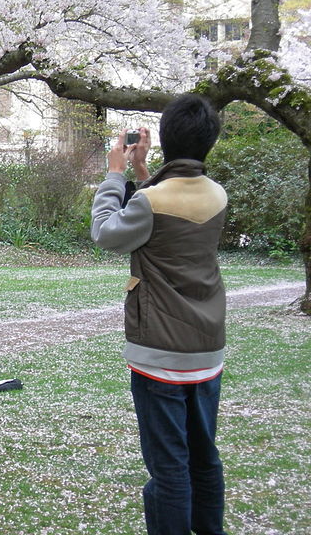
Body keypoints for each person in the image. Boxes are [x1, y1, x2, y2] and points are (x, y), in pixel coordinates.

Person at [91, 94, 228, 535]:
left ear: (167, 138)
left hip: (160, 352)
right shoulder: (217, 195)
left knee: (169, 468)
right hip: (206, 349)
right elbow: (168, 210)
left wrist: (116, 174)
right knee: (204, 458)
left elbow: (108, 233)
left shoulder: (152, 203)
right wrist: (142, 172)